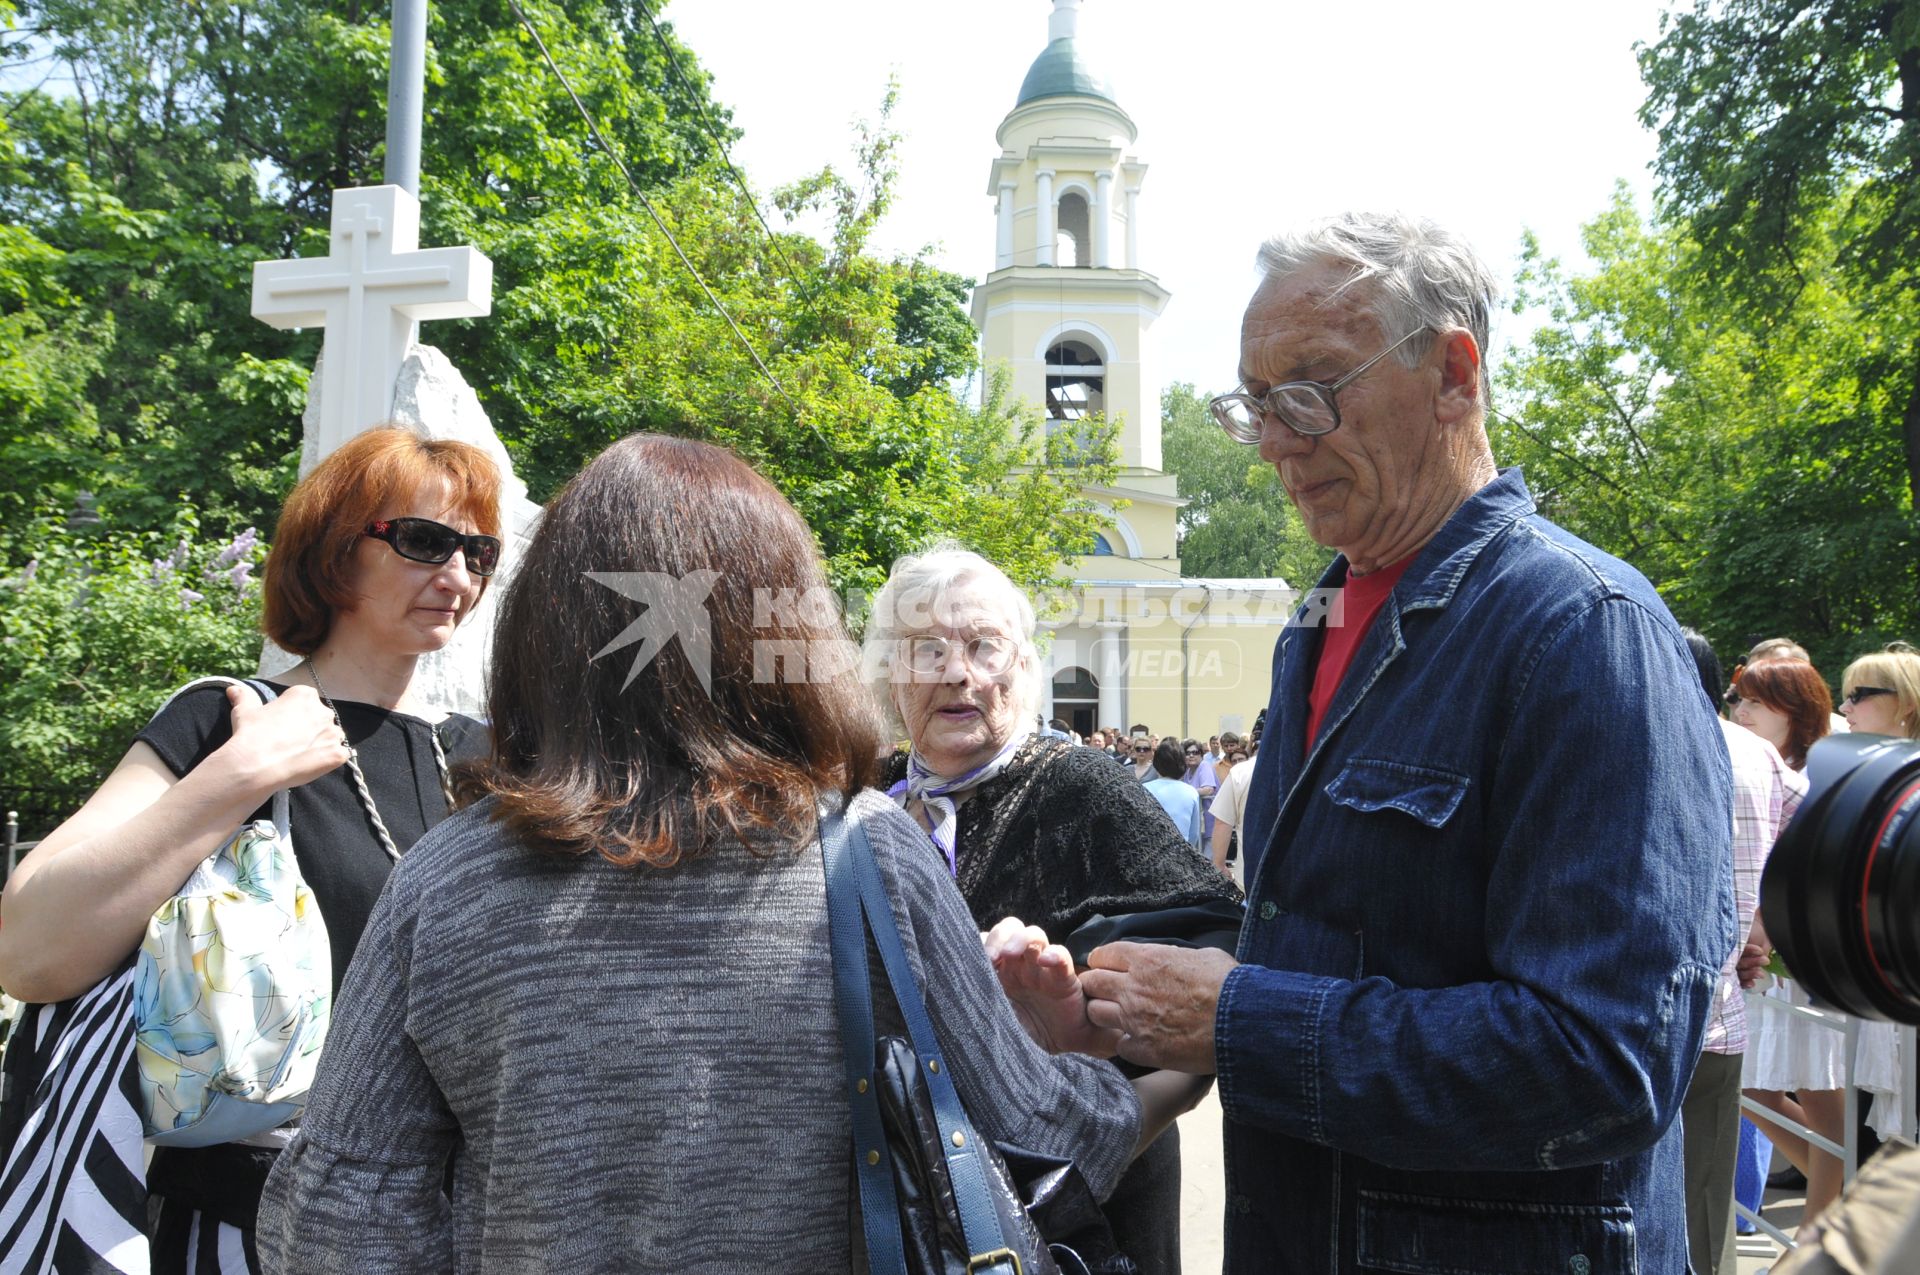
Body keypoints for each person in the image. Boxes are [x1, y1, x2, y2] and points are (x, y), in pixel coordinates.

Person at [254, 435, 1158, 1272]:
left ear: (547, 633)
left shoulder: (449, 878)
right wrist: (1148, 1070)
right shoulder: (869, 853)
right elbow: (1050, 1138)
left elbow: (337, 1217)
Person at [1077, 213, 1733, 1275]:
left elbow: (1607, 1064)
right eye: (1254, 406)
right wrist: (1121, 999)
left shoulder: (1583, 628)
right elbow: (1344, 946)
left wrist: (1235, 1019)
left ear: (1454, 376)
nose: (1279, 441)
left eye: (1312, 389)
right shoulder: (1317, 625)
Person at [0, 426, 503, 1273]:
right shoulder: (227, 716)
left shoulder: (492, 762)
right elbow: (30, 947)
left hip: (443, 1231)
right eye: (424, 541)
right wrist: (241, 773)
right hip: (241, 1229)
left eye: (477, 552)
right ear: (338, 553)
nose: (456, 576)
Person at [865, 545, 1241, 1275]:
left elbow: (1213, 983)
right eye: (927, 649)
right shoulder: (868, 794)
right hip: (907, 1212)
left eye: (983, 646)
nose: (956, 671)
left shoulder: (1081, 787)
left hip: (1081, 1226)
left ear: (1025, 667)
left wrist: (1102, 1134)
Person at [1680, 630, 1807, 1275]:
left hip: (1630, 1013)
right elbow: (1811, 840)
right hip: (1720, 1008)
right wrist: (1761, 932)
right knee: (1707, 1209)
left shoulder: (1646, 739)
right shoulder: (1759, 753)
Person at [1731, 657, 1848, 1227]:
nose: (1741, 710)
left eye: (1756, 700)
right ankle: (1852, 1196)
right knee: (1750, 1087)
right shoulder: (1756, 765)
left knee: (1820, 1095)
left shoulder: (1816, 775)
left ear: (1795, 711)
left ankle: (1822, 1231)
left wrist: (1767, 926)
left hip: (1807, 958)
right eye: (1738, 699)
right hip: (1765, 965)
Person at [1207, 732, 1254, 882]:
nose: (1229, 748)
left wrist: (1219, 864)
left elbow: (1222, 821)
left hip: (1250, 870)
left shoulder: (1240, 772)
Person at [1142, 739, 1204, 850]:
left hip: (1151, 850)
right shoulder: (1191, 792)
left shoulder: (1145, 789)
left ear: (1156, 763)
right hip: (1181, 851)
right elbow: (1194, 833)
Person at [1180, 737, 1220, 845]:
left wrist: (1184, 791)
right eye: (1187, 753)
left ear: (1201, 755)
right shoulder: (1188, 771)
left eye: (1195, 752)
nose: (1191, 755)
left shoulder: (1204, 765)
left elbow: (1208, 790)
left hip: (1210, 824)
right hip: (1197, 825)